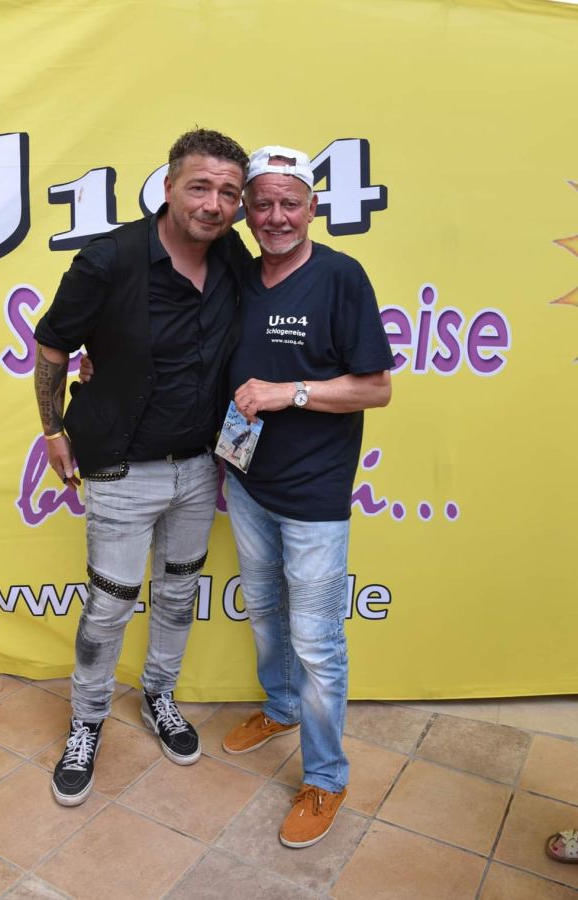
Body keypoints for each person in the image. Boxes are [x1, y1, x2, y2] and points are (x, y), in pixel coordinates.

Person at [33, 128, 250, 806]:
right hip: (122, 470)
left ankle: (159, 696)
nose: (213, 204)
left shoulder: (232, 256)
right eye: (199, 186)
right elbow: (53, 347)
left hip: (199, 468)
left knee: (179, 595)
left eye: (228, 193)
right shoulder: (108, 260)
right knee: (108, 607)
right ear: (168, 186)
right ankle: (87, 721)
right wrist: (52, 429)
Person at [221, 146, 394, 848]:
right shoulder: (239, 274)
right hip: (246, 482)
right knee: (265, 612)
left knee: (317, 642)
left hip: (314, 497)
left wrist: (287, 392)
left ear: (312, 208)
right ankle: (281, 706)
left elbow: (375, 388)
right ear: (246, 211)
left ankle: (325, 777)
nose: (275, 216)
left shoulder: (339, 276)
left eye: (289, 202)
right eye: (261, 203)